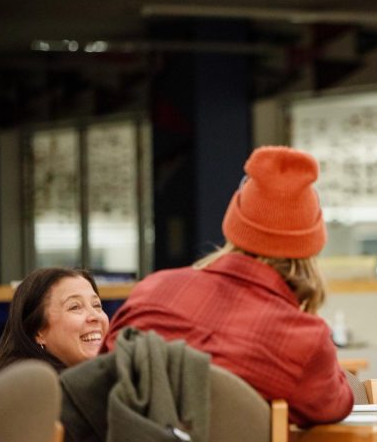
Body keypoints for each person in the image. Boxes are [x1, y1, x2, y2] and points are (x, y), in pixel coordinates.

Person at [102, 145, 353, 427]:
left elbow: (103, 374)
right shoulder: (302, 340)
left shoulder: (152, 290)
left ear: (234, 226)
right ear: (310, 249)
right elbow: (334, 406)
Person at [0, 267, 109, 373]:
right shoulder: (31, 388)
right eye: (75, 307)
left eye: (97, 305)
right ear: (39, 331)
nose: (95, 316)